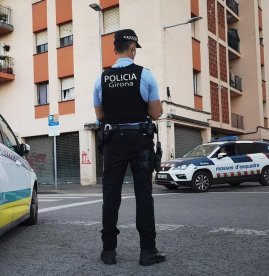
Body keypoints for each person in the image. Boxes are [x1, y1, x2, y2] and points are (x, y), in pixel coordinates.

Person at [93, 29, 166, 266]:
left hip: (113, 142)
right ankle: (147, 251)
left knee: (111, 196)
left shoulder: (101, 79)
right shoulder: (146, 75)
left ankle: (108, 252)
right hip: (140, 142)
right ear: (133, 49)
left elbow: (101, 114)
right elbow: (156, 113)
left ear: (115, 50)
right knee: (143, 195)